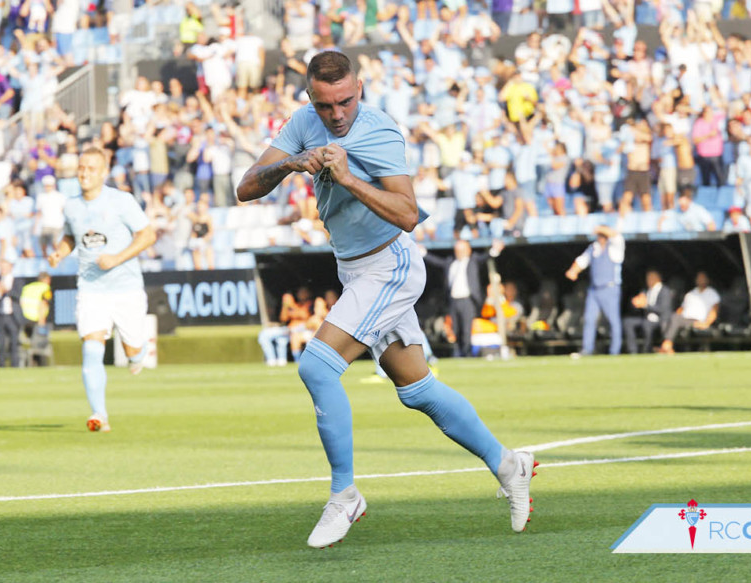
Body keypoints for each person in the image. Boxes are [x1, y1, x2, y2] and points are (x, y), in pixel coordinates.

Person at [236, 51, 535, 549]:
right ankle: (509, 463)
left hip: (389, 266)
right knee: (415, 389)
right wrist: (291, 163)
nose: (336, 114)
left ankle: (344, 496)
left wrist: (349, 177)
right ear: (310, 96)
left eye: (346, 101)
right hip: (354, 270)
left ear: (360, 87)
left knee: (317, 368)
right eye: (325, 104)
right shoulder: (303, 123)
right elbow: (246, 187)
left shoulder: (378, 131)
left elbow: (409, 213)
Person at [48, 147, 158, 432]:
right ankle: (99, 414)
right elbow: (70, 236)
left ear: (104, 172)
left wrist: (116, 259)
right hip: (91, 288)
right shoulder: (71, 205)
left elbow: (148, 235)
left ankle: (138, 353)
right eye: (81, 168)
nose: (84, 173)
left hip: (126, 288)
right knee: (91, 348)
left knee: (133, 350)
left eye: (91, 168)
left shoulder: (121, 201)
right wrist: (60, 252)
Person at [422, 239, 504, 357]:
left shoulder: (473, 261)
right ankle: (459, 352)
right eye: (457, 250)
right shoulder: (451, 262)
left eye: (461, 249)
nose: (459, 252)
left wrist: (495, 249)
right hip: (454, 300)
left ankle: (467, 353)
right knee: (456, 328)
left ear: (468, 250)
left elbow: (486, 257)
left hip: (467, 300)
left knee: (467, 328)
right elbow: (437, 262)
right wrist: (424, 253)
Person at [565, 225, 624, 356]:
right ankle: (587, 349)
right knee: (589, 319)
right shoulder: (593, 248)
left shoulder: (615, 247)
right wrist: (573, 271)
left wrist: (599, 228)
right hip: (594, 289)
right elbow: (581, 261)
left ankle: (615, 350)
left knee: (613, 320)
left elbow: (615, 235)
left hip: (610, 288)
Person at [659, 271, 721, 355]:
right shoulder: (690, 294)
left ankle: (666, 346)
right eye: (699, 278)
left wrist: (706, 323)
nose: (700, 280)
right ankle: (667, 345)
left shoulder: (712, 294)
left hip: (699, 321)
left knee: (676, 319)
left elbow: (714, 310)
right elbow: (681, 309)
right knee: (671, 318)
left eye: (703, 278)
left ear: (707, 280)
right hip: (685, 319)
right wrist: (674, 317)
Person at [622, 269, 674, 354]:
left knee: (647, 324)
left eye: (651, 278)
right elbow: (638, 307)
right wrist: (636, 303)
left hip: (659, 320)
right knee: (628, 322)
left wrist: (646, 305)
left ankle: (647, 350)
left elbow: (663, 309)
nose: (649, 280)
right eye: (648, 278)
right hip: (646, 318)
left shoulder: (665, 291)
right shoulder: (646, 291)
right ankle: (632, 350)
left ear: (658, 278)